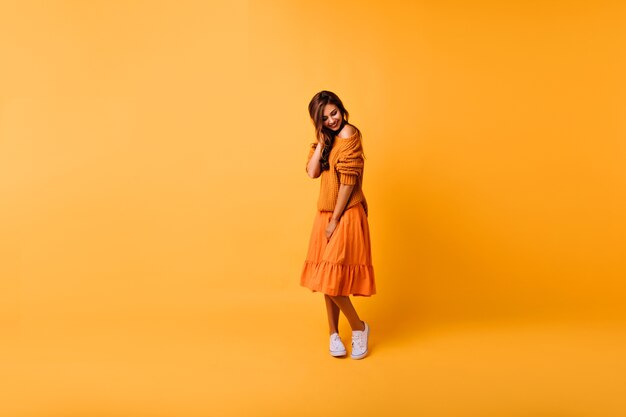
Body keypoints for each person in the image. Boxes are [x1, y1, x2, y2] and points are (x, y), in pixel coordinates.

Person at [300, 90, 376, 359]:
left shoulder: (348, 135)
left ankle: (359, 328)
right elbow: (311, 172)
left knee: (330, 279)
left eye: (334, 113)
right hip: (325, 214)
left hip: (344, 214)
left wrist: (334, 221)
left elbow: (348, 183)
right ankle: (334, 334)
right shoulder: (329, 139)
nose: (332, 120)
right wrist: (321, 141)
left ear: (342, 110)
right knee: (326, 278)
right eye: (325, 117)